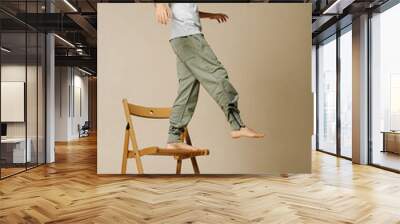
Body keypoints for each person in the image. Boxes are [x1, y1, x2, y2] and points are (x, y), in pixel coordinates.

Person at [155, 3, 264, 150]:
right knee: (217, 74)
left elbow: (185, 9)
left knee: (188, 90)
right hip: (188, 36)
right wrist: (159, 4)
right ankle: (237, 125)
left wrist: (210, 15)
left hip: (180, 38)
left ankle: (174, 139)